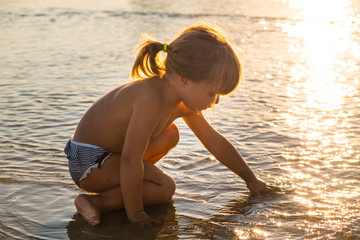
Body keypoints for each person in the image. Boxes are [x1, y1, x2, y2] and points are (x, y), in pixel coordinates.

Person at [64, 24, 272, 227]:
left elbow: (214, 142)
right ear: (184, 80)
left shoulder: (181, 101)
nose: (215, 101)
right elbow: (130, 159)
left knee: (171, 134)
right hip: (89, 162)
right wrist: (136, 213)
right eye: (212, 93)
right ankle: (96, 202)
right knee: (164, 187)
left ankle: (127, 185)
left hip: (108, 157)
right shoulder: (151, 100)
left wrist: (250, 178)